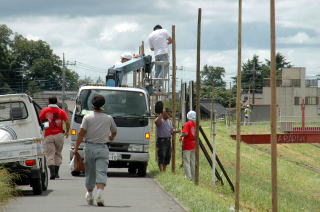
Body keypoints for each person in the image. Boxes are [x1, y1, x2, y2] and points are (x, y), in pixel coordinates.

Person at [73, 95, 117, 206]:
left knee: (90, 173)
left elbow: (81, 134)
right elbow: (114, 131)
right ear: (103, 105)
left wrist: (76, 148)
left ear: (92, 105)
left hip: (90, 148)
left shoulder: (87, 118)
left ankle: (89, 194)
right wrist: (111, 137)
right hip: (102, 148)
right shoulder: (108, 118)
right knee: (101, 172)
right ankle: (100, 194)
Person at [39, 96, 70, 180]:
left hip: (48, 135)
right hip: (59, 134)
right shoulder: (61, 111)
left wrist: (45, 127)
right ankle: (56, 173)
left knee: (50, 154)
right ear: (56, 102)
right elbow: (67, 122)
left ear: (49, 102)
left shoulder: (44, 110)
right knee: (58, 153)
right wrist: (67, 131)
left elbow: (41, 120)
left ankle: (52, 173)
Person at [148, 24, 172, 91]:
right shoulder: (164, 31)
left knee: (157, 71)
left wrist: (157, 46)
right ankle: (158, 85)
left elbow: (152, 49)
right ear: (160, 28)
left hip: (156, 54)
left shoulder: (150, 35)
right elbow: (170, 40)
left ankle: (155, 86)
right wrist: (165, 43)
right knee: (165, 68)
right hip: (163, 52)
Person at [155, 107, 173, 172]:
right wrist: (161, 114)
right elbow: (156, 122)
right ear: (164, 113)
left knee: (167, 156)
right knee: (162, 155)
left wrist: (176, 131)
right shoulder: (160, 119)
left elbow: (171, 130)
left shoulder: (169, 121)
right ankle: (161, 171)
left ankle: (164, 171)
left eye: (170, 113)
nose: (169, 115)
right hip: (161, 141)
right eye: (168, 113)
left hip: (168, 140)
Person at [180, 111, 196, 180]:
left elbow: (186, 133)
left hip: (187, 144)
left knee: (186, 161)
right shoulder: (194, 124)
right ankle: (193, 176)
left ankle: (188, 177)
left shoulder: (187, 124)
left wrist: (181, 136)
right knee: (192, 161)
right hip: (193, 144)